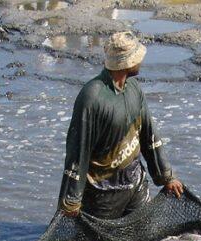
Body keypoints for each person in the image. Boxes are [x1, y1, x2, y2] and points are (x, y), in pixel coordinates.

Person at [57, 31, 185, 220]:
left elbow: (150, 135)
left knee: (144, 239)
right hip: (103, 194)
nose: (141, 61)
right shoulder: (92, 97)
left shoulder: (134, 89)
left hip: (135, 184)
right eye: (137, 57)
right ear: (127, 62)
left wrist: (166, 176)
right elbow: (78, 151)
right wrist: (71, 199)